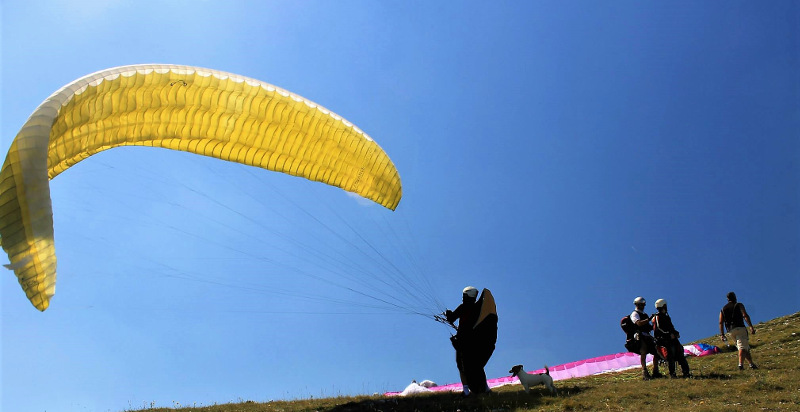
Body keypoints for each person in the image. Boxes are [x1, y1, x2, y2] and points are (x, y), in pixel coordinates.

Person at [445, 286, 498, 396]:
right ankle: (486, 389)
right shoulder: (478, 308)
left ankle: (466, 390)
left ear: (466, 296)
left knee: (461, 365)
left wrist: (448, 313)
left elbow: (451, 318)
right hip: (474, 342)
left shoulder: (463, 307)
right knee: (477, 365)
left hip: (462, 342)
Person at [652, 299, 691, 378]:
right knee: (671, 357)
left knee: (680, 355)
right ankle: (673, 374)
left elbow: (671, 327)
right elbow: (659, 329)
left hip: (672, 340)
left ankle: (686, 373)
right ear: (663, 306)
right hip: (664, 341)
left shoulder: (666, 317)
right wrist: (669, 334)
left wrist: (675, 333)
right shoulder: (658, 317)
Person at [719, 291, 758, 370]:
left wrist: (722, 334)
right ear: (735, 297)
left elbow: (720, 322)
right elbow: (745, 315)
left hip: (730, 330)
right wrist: (751, 326)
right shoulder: (739, 305)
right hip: (740, 327)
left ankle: (751, 364)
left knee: (744, 346)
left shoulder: (723, 309)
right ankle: (740, 364)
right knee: (742, 347)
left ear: (727, 299)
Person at [630, 296, 662, 380]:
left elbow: (648, 326)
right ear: (637, 305)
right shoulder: (634, 314)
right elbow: (639, 323)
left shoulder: (644, 314)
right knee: (643, 352)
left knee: (656, 352)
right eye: (641, 305)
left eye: (643, 305)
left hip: (647, 336)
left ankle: (656, 371)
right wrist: (649, 319)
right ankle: (644, 371)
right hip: (640, 336)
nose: (642, 306)